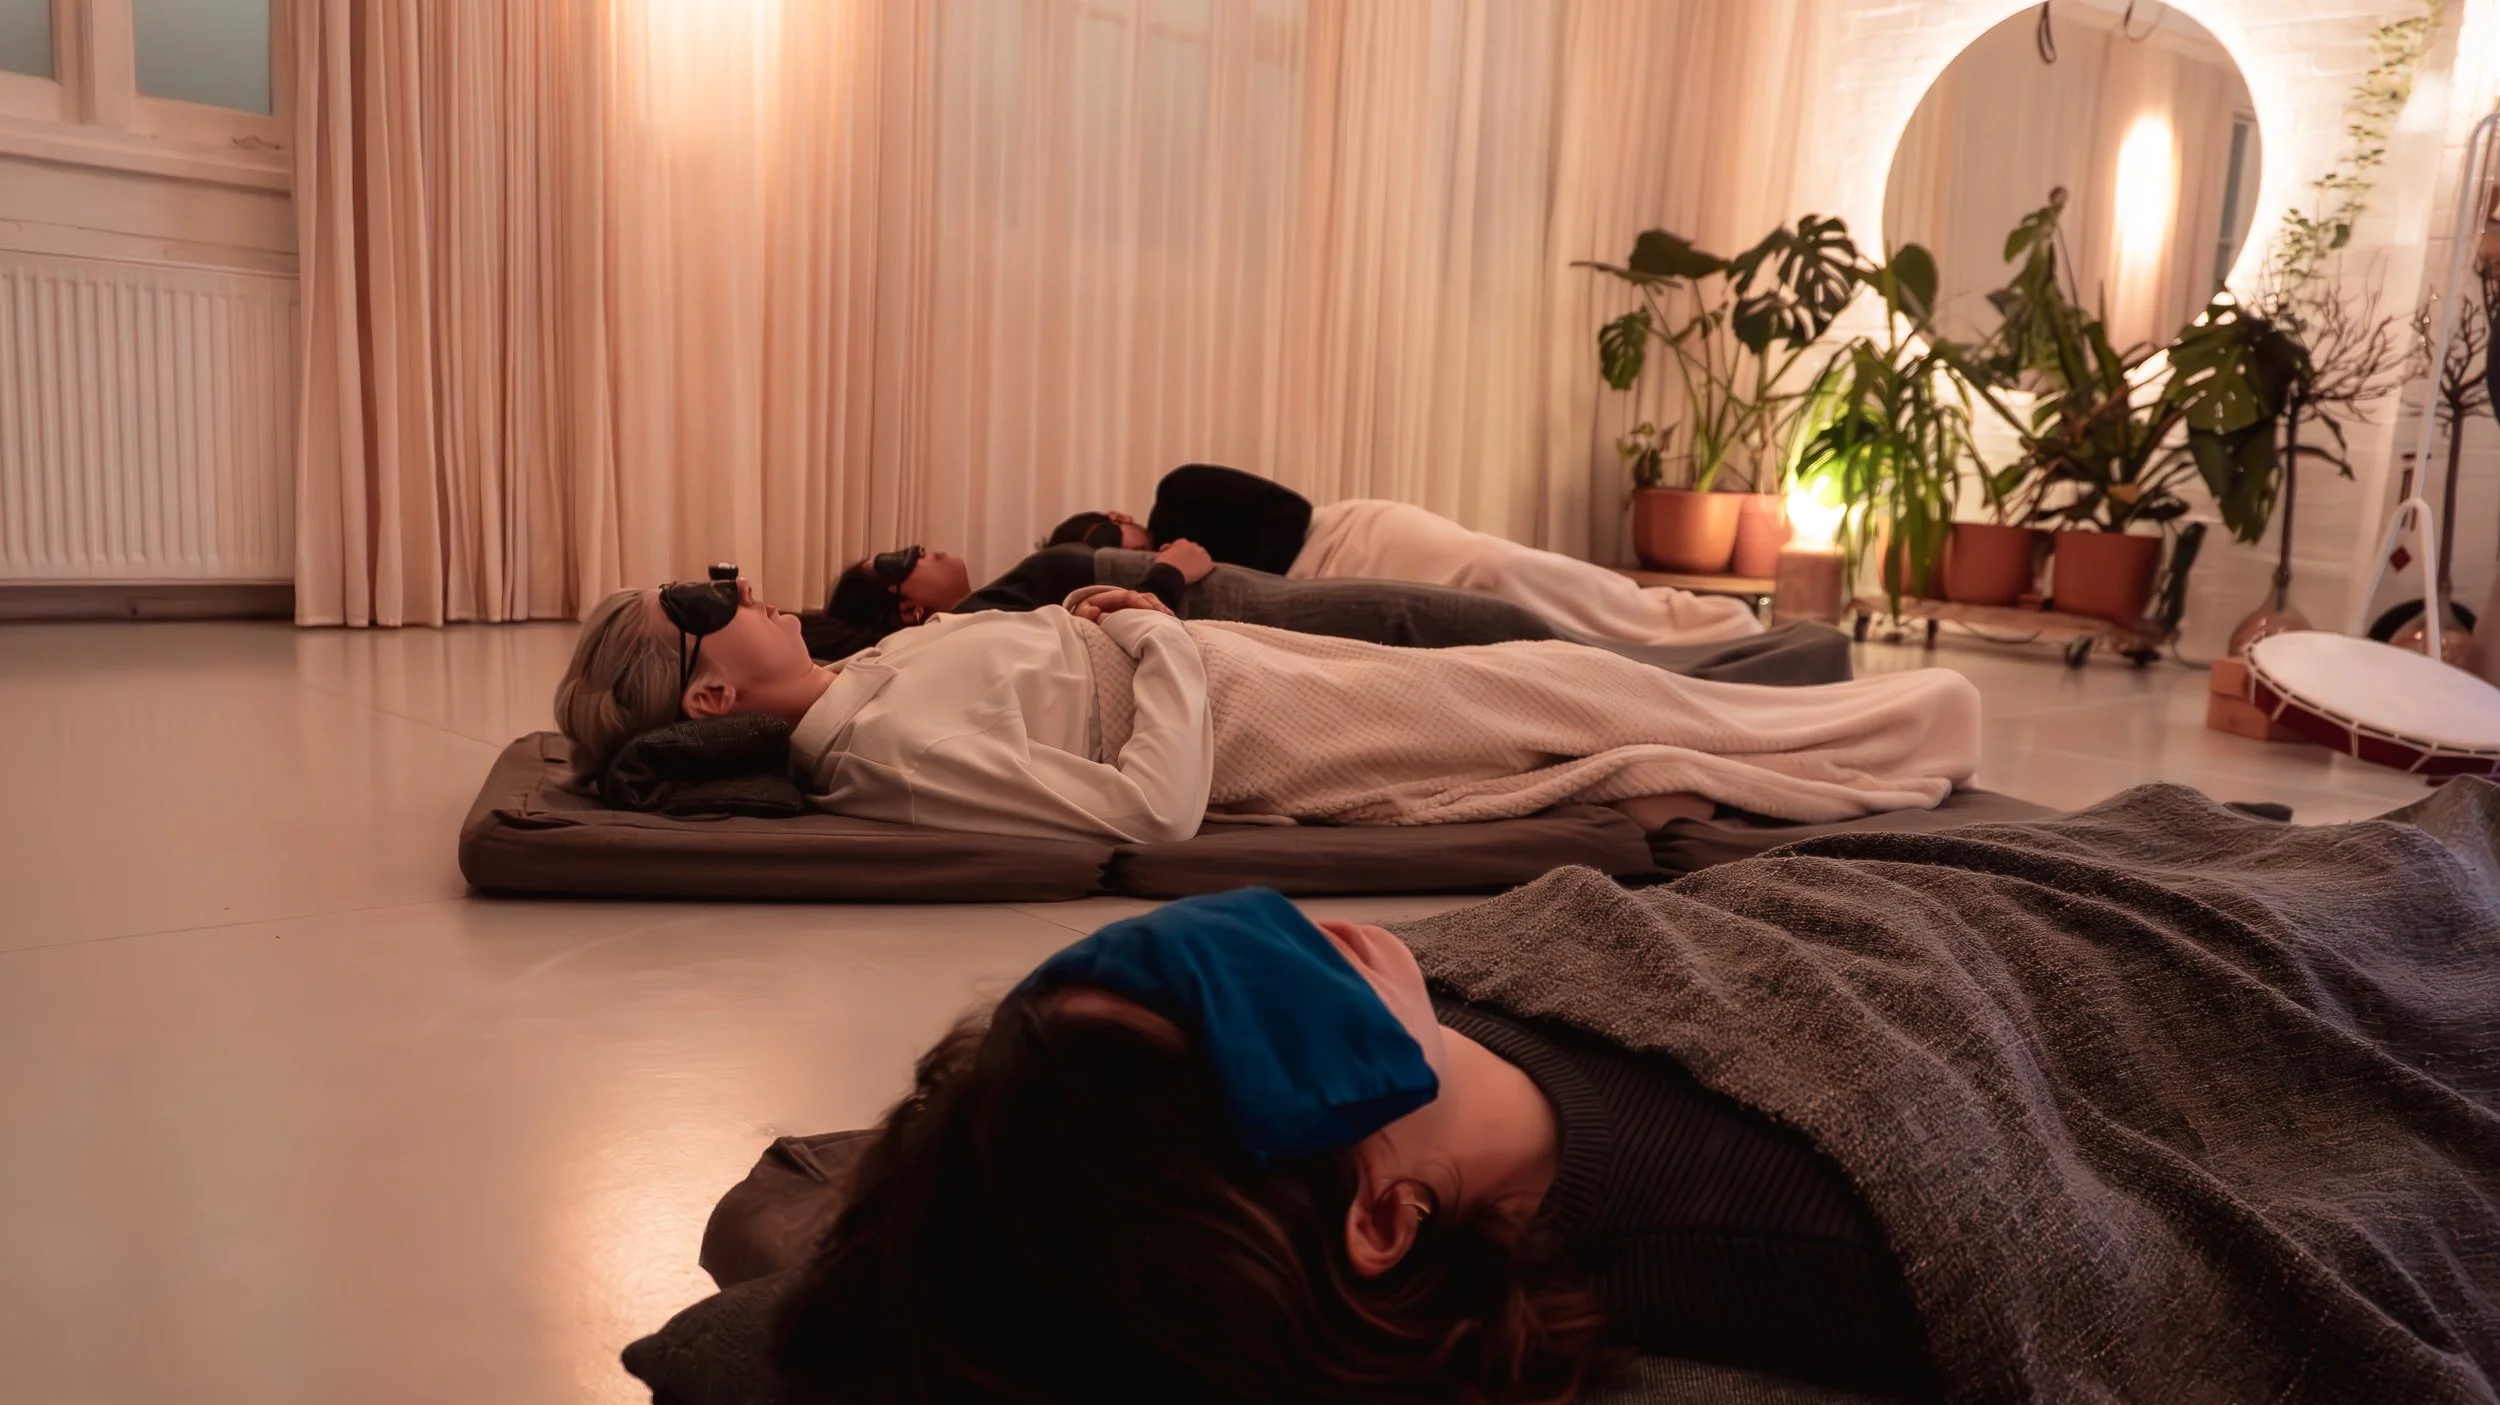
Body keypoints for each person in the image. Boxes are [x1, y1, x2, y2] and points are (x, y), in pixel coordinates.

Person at [766, 787, 2500, 1405]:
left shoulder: (1428, 1021)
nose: (1263, 919)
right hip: (2248, 972)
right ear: (1378, 1217)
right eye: (1226, 990)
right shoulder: (1808, 1223)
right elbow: (2243, 1307)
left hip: (2051, 873)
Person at [553, 569, 1977, 842]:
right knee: (1600, 709)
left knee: (1586, 683)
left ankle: (1890, 710)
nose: (734, 579)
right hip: (1263, 722)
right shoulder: (881, 751)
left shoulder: (869, 678)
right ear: (711, 683)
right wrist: (1164, 640)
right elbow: (1145, 811)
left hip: (1242, 675)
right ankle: (1911, 727)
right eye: (699, 600)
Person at [808, 539, 1851, 686]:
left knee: (1534, 635)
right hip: (1248, 607)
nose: (929, 545)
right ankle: (1791, 667)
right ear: (904, 605)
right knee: (1539, 645)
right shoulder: (966, 626)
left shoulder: (978, 599)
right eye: (906, 559)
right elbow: (1083, 633)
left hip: (1250, 598)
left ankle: (1785, 660)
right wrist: (1168, 570)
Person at [1052, 463, 1764, 647]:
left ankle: (1678, 620)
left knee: (1496, 570)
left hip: (1347, 541)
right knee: (1487, 618)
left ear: (1121, 519)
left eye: (1109, 542)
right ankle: (1620, 647)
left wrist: (1199, 556)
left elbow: (1288, 514)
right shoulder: (1162, 587)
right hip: (1315, 597)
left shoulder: (1178, 494)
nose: (1117, 556)